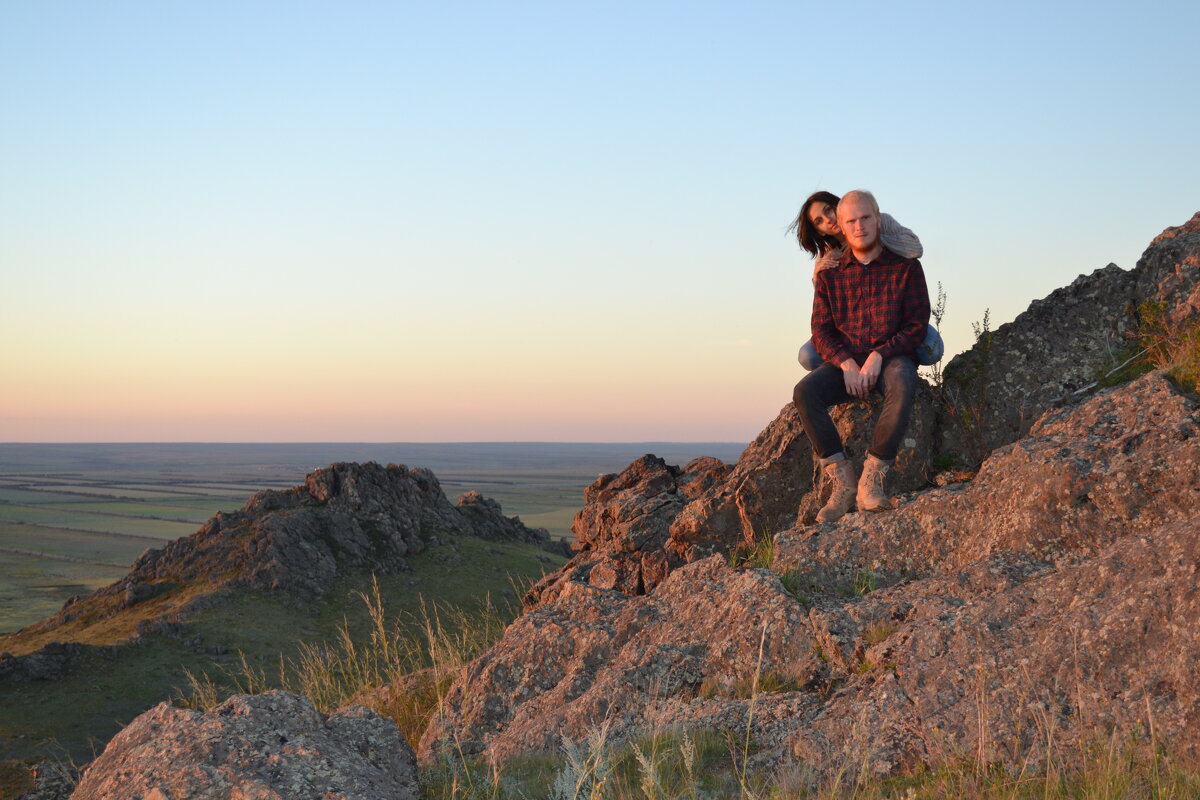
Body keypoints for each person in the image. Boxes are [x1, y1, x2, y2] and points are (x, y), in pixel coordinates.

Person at [792, 190, 931, 523]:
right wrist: (847, 364)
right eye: (850, 221)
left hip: (890, 356)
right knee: (805, 392)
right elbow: (821, 332)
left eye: (865, 218)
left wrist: (879, 356)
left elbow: (916, 324)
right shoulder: (830, 272)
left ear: (878, 220)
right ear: (839, 227)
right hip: (850, 359)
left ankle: (872, 479)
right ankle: (842, 483)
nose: (858, 226)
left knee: (903, 377)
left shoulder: (906, 266)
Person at [789, 191, 942, 369]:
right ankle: (847, 372)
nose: (828, 220)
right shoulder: (827, 254)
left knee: (932, 349)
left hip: (892, 316)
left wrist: (865, 239)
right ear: (819, 232)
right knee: (807, 356)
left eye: (828, 210)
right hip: (853, 326)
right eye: (819, 221)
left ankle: (892, 363)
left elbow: (915, 249)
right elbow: (825, 308)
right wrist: (816, 277)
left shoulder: (878, 221)